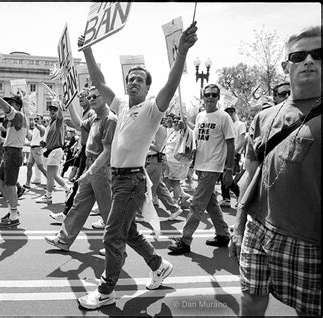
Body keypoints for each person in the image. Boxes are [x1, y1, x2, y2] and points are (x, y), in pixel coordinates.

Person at [76, 22, 198, 309]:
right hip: (117, 179)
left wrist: (181, 53)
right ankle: (158, 265)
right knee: (128, 231)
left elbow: (171, 83)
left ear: (147, 87)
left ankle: (106, 290)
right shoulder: (120, 105)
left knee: (112, 234)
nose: (133, 82)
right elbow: (99, 80)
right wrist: (88, 50)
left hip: (132, 181)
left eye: (139, 80)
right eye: (130, 79)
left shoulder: (154, 108)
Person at [230, 25, 321, 317]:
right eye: (299, 55)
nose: (308, 60)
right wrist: (238, 225)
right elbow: (250, 175)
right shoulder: (263, 117)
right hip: (257, 227)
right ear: (286, 65)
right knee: (250, 300)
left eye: (319, 54)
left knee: (308, 311)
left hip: (309, 239)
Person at [44, 86, 117, 250]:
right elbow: (78, 125)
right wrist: (69, 102)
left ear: (105, 97)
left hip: (101, 169)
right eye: (89, 97)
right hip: (90, 166)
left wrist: (90, 171)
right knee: (78, 204)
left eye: (95, 96)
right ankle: (64, 239)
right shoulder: (95, 118)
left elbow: (107, 152)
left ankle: (116, 247)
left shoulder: (110, 119)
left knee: (107, 211)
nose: (91, 99)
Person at [168, 84, 234, 255]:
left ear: (218, 97)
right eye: (207, 95)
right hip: (200, 165)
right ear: (203, 97)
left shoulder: (224, 117)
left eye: (214, 95)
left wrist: (229, 168)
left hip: (213, 167)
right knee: (211, 202)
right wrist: (185, 127)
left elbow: (230, 142)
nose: (210, 97)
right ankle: (223, 234)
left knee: (196, 204)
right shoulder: (199, 116)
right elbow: (196, 136)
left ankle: (185, 240)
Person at [0, 85, 28, 228]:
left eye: (11, 103)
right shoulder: (13, 120)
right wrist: (3, 140)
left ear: (17, 105)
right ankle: (12, 211)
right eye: (8, 102)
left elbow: (8, 110)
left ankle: (14, 215)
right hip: (9, 152)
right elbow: (17, 138)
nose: (8, 105)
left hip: (13, 154)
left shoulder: (18, 116)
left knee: (10, 186)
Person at [35, 102, 71, 204]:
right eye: (50, 109)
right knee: (54, 175)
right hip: (53, 150)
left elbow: (60, 114)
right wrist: (45, 145)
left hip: (56, 151)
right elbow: (52, 139)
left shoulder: (59, 121)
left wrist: (59, 104)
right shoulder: (52, 124)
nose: (52, 111)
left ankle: (48, 196)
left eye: (54, 110)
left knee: (50, 175)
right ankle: (68, 189)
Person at [218, 106, 246, 208]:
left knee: (227, 175)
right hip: (222, 153)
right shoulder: (224, 124)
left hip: (233, 153)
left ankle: (240, 195)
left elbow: (242, 140)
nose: (229, 113)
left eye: (231, 111)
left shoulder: (240, 125)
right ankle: (226, 199)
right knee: (222, 176)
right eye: (227, 112)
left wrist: (234, 153)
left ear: (234, 112)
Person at [23, 114, 47, 188]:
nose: (35, 119)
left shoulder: (42, 127)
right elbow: (30, 139)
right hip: (32, 149)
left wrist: (36, 124)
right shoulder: (35, 129)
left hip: (37, 149)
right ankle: (27, 183)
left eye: (37, 118)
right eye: (35, 119)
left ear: (41, 120)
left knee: (41, 167)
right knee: (29, 166)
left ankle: (50, 181)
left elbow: (42, 130)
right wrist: (26, 130)